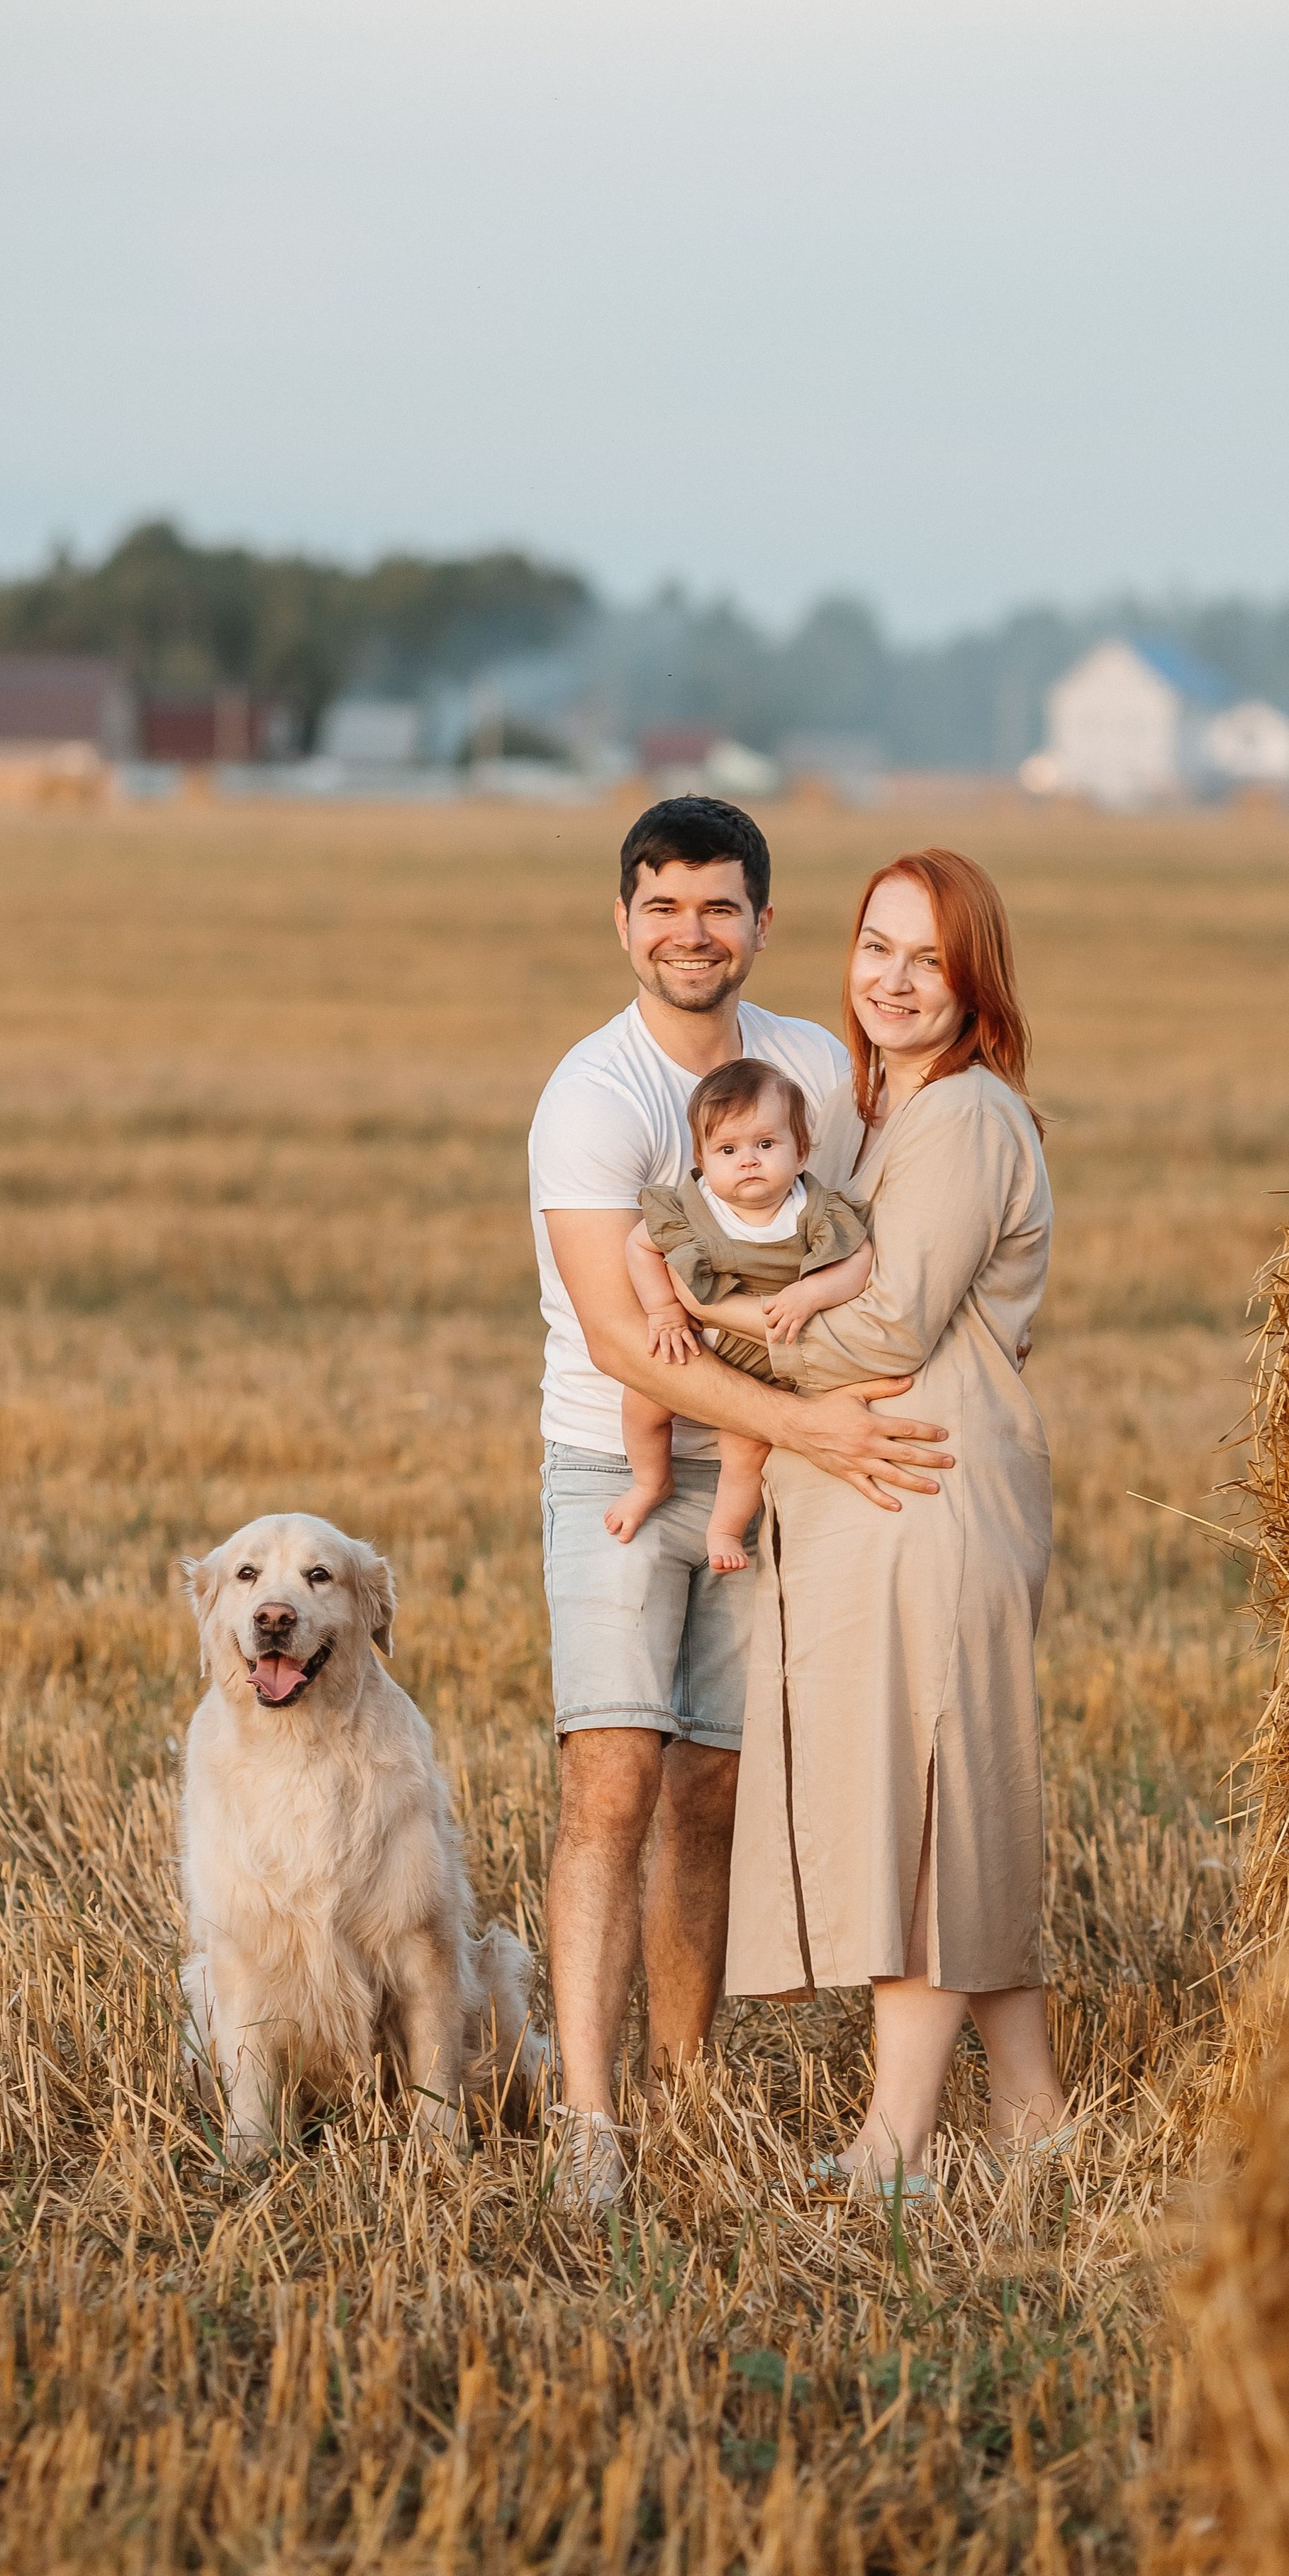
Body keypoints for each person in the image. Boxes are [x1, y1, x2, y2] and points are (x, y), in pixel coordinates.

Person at [530, 798, 954, 2208]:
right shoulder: (589, 1099)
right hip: (619, 1462)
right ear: (622, 922)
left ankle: (687, 2084)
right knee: (612, 1777)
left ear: (761, 927)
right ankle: (589, 2122)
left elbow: (876, 1236)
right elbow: (612, 1337)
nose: (688, 932)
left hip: (771, 1462)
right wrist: (804, 1427)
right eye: (661, 906)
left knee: (710, 1783)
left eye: (717, 908)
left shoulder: (813, 1070)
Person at [706, 847, 1070, 2189]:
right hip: (899, 1493)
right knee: (954, 1804)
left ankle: (895, 2143)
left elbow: (894, 1318)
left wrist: (719, 1339)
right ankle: (1033, 2116)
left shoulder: (965, 1116)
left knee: (920, 1812)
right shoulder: (883, 1118)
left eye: (930, 957)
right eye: (877, 946)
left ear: (974, 979)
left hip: (930, 1493)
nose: (896, 979)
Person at [607, 1059, 874, 1570]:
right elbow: (640, 1246)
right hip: (697, 1342)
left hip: (767, 1356)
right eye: (728, 1150)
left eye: (766, 1145)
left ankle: (724, 1529)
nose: (748, 1161)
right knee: (643, 1401)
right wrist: (664, 1311)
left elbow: (860, 1262)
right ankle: (650, 1480)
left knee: (746, 1447)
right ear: (703, 1160)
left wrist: (812, 1293)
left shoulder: (814, 1210)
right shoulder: (694, 1209)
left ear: (800, 1151)